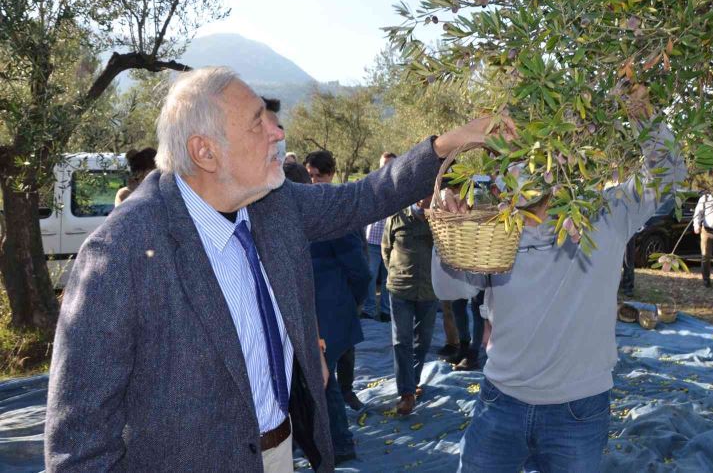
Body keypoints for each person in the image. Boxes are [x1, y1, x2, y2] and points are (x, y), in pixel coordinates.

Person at [45, 66, 504, 472]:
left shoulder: (274, 205)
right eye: (257, 123)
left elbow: (365, 197)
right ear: (205, 152)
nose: (278, 132)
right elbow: (79, 445)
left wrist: (449, 145)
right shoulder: (122, 251)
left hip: (280, 452)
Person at [433, 83, 686, 473]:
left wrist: (641, 112)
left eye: (532, 155)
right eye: (511, 158)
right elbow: (449, 288)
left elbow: (669, 173)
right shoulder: (493, 228)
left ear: (559, 157)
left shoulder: (607, 213)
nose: (520, 169)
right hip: (500, 401)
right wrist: (449, 232)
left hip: (578, 412)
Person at [304, 150, 371, 464]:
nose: (314, 182)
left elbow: (359, 269)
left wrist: (350, 303)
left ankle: (341, 445)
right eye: (310, 176)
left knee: (325, 380)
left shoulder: (332, 212)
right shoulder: (302, 211)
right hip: (320, 312)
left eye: (318, 175)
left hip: (328, 313)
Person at [382, 194, 438, 416]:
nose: (427, 198)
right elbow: (386, 250)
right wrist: (397, 274)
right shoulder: (397, 216)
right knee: (401, 341)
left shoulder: (439, 219)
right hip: (400, 290)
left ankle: (412, 381)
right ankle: (406, 393)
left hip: (429, 290)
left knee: (423, 341)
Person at [362, 152, 397, 322]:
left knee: (387, 278)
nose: (387, 167)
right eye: (384, 164)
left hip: (393, 241)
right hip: (373, 239)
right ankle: (369, 309)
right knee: (370, 276)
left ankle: (385, 310)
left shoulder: (401, 185)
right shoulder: (371, 183)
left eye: (390, 164)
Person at [449, 291, 485, 371]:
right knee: (457, 305)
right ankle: (463, 347)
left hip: (481, 279)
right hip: (460, 279)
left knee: (478, 308)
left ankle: (473, 354)